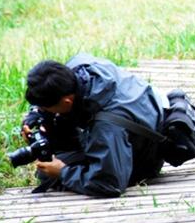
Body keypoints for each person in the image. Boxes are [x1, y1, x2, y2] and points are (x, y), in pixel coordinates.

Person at [21, 54, 167, 197]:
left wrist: (63, 172)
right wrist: (35, 115)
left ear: (67, 102)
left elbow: (110, 185)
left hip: (143, 155)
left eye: (46, 108)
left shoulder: (106, 126)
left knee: (47, 173)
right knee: (55, 127)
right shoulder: (81, 65)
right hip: (139, 120)